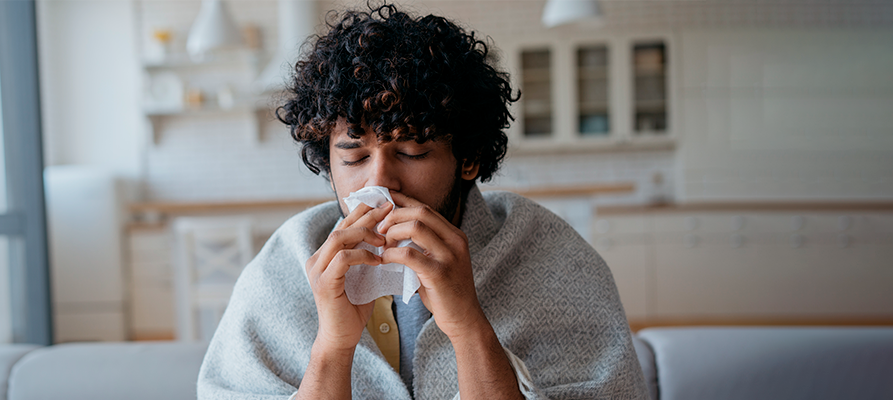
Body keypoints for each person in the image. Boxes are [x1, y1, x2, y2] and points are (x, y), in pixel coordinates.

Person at [197, 4, 648, 399]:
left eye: (412, 152)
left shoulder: (551, 256)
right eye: (353, 156)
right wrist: (332, 347)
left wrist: (469, 327)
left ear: (468, 158)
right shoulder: (283, 266)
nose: (380, 181)